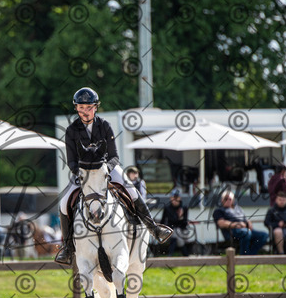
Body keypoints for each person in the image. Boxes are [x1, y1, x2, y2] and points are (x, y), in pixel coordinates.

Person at [55, 87, 172, 265]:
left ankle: (154, 229)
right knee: (64, 204)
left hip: (107, 169)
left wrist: (105, 170)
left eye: (89, 107)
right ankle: (67, 248)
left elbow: (114, 156)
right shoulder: (71, 130)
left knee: (132, 191)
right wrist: (81, 173)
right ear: (76, 108)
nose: (85, 111)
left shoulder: (105, 126)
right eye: (81, 107)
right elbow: (71, 161)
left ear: (95, 107)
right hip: (83, 172)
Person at [213, 190, 268, 255]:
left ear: (233, 200)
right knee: (246, 233)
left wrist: (249, 222)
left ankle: (251, 254)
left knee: (264, 235)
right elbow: (221, 223)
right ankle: (244, 255)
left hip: (245, 230)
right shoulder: (219, 210)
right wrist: (236, 224)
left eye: (230, 199)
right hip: (231, 232)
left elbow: (245, 219)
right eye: (225, 199)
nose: (228, 200)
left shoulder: (238, 209)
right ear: (222, 200)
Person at [161, 189, 195, 256]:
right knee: (176, 234)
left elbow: (184, 224)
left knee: (177, 233)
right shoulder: (167, 208)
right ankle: (186, 254)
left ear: (179, 198)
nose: (175, 200)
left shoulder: (183, 208)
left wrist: (180, 217)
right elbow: (164, 221)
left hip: (182, 231)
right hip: (170, 230)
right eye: (173, 198)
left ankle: (170, 254)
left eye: (176, 198)